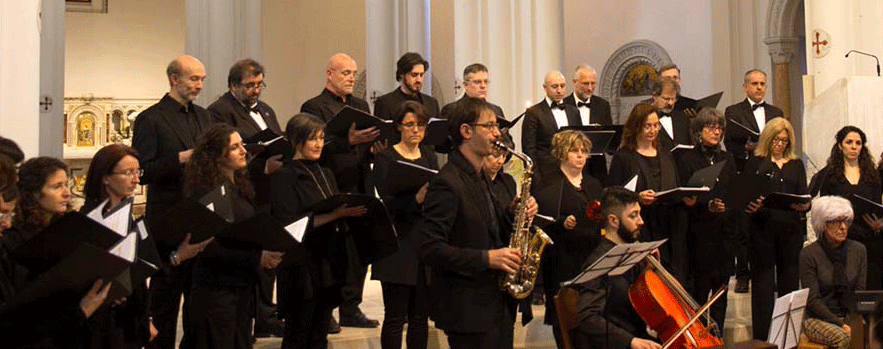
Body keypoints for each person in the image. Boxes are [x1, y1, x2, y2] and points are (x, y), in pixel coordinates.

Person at [418, 97, 537, 348]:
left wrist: (515, 213)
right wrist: (487, 258)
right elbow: (430, 248)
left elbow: (489, 228)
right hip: (468, 310)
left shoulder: (483, 177)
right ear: (466, 131)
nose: (497, 133)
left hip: (496, 303)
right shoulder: (447, 182)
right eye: (490, 126)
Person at [132, 54, 216, 349]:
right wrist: (180, 158)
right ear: (174, 79)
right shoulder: (151, 118)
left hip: (201, 212)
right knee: (165, 301)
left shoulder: (204, 116)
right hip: (168, 217)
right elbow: (142, 172)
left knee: (199, 303)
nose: (199, 85)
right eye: (194, 79)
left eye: (202, 79)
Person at [270, 113, 369, 348]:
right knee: (298, 332)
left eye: (322, 138)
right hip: (301, 265)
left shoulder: (325, 172)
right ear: (296, 140)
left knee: (320, 334)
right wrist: (334, 215)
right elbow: (289, 224)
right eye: (312, 139)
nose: (318, 144)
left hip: (327, 261)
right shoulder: (285, 176)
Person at [182, 124, 284, 348]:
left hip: (240, 286)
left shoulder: (239, 185)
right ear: (217, 154)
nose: (244, 151)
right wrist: (257, 257)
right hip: (217, 291)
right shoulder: (208, 190)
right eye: (235, 147)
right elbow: (211, 246)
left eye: (242, 145)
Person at [207, 58, 285, 338]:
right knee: (246, 254)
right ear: (233, 85)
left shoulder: (265, 109)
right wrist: (262, 166)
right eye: (249, 85)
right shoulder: (218, 111)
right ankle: (250, 318)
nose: (256, 90)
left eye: (259, 84)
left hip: (266, 191)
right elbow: (221, 153)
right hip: (239, 189)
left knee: (266, 256)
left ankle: (265, 314)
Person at [301, 53, 380, 330]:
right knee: (333, 250)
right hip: (330, 182)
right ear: (329, 73)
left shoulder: (359, 104)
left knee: (358, 250)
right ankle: (328, 307)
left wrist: (373, 145)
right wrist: (348, 139)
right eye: (345, 73)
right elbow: (313, 146)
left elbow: (367, 140)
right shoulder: (314, 106)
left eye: (353, 73)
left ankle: (351, 307)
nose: (350, 78)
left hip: (360, 181)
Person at [0, 157, 112, 348]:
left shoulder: (69, 227)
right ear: (34, 193)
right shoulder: (14, 238)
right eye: (57, 186)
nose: (67, 193)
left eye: (66, 185)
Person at [371, 101, 438, 349]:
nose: (415, 130)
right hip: (397, 243)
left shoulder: (430, 156)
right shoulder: (386, 157)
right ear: (398, 126)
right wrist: (415, 199)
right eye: (410, 124)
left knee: (420, 317)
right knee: (395, 317)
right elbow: (384, 202)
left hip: (423, 242)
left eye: (420, 125)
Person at [80, 144, 157, 348]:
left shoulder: (129, 215)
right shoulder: (87, 221)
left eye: (137, 171)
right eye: (128, 173)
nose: (136, 179)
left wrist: (146, 319)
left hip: (131, 316)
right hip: (101, 323)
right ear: (105, 177)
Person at [533, 129, 603, 349]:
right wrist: (561, 222)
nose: (581, 156)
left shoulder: (593, 184)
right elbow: (539, 221)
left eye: (584, 151)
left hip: (590, 257)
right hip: (562, 259)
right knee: (565, 319)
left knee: (589, 317)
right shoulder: (549, 184)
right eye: (574, 151)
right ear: (562, 153)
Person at [743, 117, 808, 340]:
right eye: (776, 140)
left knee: (789, 285)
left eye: (784, 140)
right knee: (763, 286)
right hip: (762, 231)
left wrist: (805, 204)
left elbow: (803, 193)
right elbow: (745, 197)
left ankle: (786, 337)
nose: (780, 144)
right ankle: (762, 339)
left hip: (790, 231)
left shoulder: (796, 164)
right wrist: (752, 203)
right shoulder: (756, 162)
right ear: (768, 139)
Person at [574, 186, 661, 349]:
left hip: (641, 337)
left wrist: (653, 270)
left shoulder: (634, 255)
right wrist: (630, 342)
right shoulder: (599, 262)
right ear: (613, 220)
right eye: (633, 216)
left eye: (640, 214)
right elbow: (588, 317)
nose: (641, 221)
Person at [675, 108, 738, 330]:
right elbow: (685, 196)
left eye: (719, 127)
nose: (716, 131)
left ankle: (717, 340)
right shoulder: (687, 159)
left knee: (721, 295)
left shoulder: (727, 158)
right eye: (710, 127)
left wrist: (726, 205)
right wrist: (707, 204)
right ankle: (698, 339)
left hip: (724, 237)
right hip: (699, 237)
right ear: (698, 131)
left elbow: (733, 192)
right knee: (699, 295)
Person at [605, 103, 683, 277]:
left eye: (656, 125)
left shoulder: (665, 153)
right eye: (648, 126)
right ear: (637, 126)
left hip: (667, 224)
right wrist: (637, 197)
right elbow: (612, 192)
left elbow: (674, 183)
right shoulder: (624, 156)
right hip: (641, 226)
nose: (653, 130)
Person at [809, 126, 883, 290]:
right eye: (849, 142)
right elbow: (825, 207)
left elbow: (878, 206)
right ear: (840, 145)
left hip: (869, 236)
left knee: (871, 286)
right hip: (841, 238)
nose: (854, 147)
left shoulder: (872, 174)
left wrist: (880, 223)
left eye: (858, 143)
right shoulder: (830, 174)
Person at [800, 195, 867, 349]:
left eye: (846, 221)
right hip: (817, 318)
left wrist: (850, 320)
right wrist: (839, 323)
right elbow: (813, 300)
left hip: (849, 314)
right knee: (841, 337)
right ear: (823, 224)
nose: (843, 227)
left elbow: (859, 291)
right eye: (836, 221)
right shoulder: (809, 254)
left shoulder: (858, 250)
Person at [522, 70, 583, 187]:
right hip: (546, 176)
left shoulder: (573, 111)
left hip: (572, 175)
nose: (559, 90)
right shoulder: (534, 112)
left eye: (562, 86)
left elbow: (579, 142)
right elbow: (529, 149)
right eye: (554, 87)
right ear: (545, 87)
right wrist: (537, 180)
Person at [724, 69, 785, 173]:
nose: (759, 87)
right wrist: (746, 148)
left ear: (766, 87)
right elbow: (729, 142)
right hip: (745, 167)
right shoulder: (734, 111)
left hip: (774, 167)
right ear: (745, 87)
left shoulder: (776, 113)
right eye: (754, 83)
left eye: (762, 84)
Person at [561, 64, 612, 182]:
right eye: (585, 83)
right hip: (571, 166)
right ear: (574, 82)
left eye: (593, 83)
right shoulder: (563, 104)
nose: (590, 88)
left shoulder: (603, 105)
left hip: (597, 167)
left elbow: (609, 139)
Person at [373, 52, 440, 123]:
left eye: (421, 75)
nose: (419, 80)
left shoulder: (432, 103)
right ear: (402, 74)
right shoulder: (385, 103)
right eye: (414, 75)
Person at [649, 78, 691, 154]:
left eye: (673, 99)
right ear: (654, 96)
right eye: (666, 99)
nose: (671, 103)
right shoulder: (645, 117)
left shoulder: (683, 117)